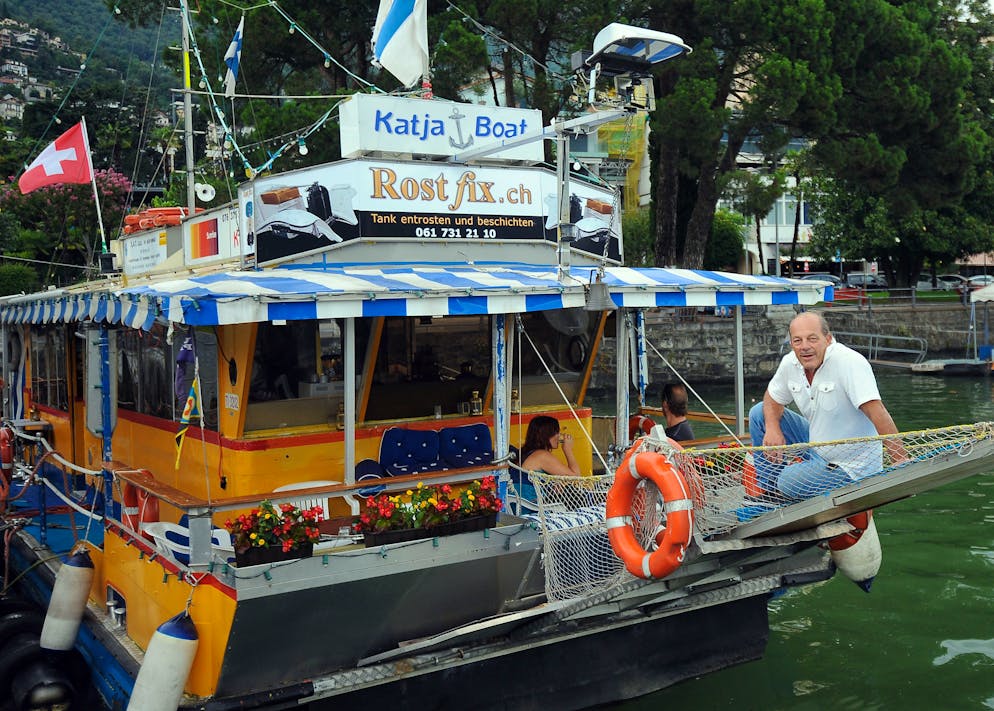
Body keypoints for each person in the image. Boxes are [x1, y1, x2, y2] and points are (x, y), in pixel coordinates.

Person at [749, 311, 904, 499]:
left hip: (851, 467)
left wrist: (900, 459)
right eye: (798, 341)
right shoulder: (790, 362)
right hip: (817, 447)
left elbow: (877, 412)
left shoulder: (849, 362)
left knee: (789, 481)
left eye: (812, 339)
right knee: (759, 414)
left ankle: (784, 486)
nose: (804, 347)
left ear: (828, 339)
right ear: (791, 344)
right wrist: (773, 428)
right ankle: (771, 494)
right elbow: (772, 398)